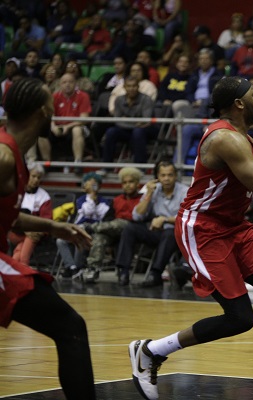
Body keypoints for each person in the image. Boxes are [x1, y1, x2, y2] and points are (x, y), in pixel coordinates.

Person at [128, 76, 253, 400]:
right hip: (202, 229)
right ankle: (151, 351)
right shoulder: (225, 139)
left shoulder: (244, 137)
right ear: (240, 103)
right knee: (240, 317)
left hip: (232, 225)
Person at [0, 78, 95, 399]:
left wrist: (55, 227)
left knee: (69, 327)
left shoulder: (14, 154)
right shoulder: (3, 156)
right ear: (43, 111)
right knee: (70, 328)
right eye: (53, 106)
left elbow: (7, 213)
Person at [116, 159, 186, 287]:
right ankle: (123, 271)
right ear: (157, 177)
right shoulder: (153, 190)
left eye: (170, 175)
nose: (166, 179)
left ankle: (155, 274)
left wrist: (164, 219)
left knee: (170, 233)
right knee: (130, 228)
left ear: (175, 176)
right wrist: (148, 194)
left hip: (176, 235)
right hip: (155, 231)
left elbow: (188, 218)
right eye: (163, 175)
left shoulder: (184, 192)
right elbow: (136, 216)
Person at [83, 167, 143, 283]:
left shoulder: (143, 200)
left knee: (122, 223)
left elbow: (140, 218)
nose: (127, 185)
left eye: (131, 182)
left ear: (137, 184)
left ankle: (89, 227)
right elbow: (108, 219)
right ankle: (93, 268)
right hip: (114, 230)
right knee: (100, 236)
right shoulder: (117, 200)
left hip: (133, 230)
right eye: (124, 183)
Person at [58, 172, 111, 279]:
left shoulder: (105, 202)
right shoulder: (81, 200)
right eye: (87, 183)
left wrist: (94, 197)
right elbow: (88, 211)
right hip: (79, 227)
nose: (88, 186)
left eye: (93, 184)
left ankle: (79, 266)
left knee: (80, 237)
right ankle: (72, 267)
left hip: (94, 230)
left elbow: (101, 214)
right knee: (60, 240)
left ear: (98, 187)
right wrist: (91, 197)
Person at [38, 73, 92, 166]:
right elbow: (50, 115)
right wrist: (53, 126)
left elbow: (84, 118)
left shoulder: (83, 96)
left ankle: (78, 162)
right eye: (64, 82)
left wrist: (68, 126)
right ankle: (47, 162)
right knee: (42, 131)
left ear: (75, 84)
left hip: (76, 126)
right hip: (58, 127)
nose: (67, 84)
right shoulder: (54, 96)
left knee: (77, 130)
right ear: (60, 84)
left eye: (70, 82)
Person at [7, 163, 52, 265]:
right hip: (15, 232)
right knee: (29, 238)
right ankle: (23, 267)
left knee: (21, 249)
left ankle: (17, 268)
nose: (36, 180)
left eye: (38, 178)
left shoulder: (44, 196)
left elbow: (47, 221)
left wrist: (32, 230)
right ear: (27, 175)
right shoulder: (17, 191)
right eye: (33, 176)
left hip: (34, 234)